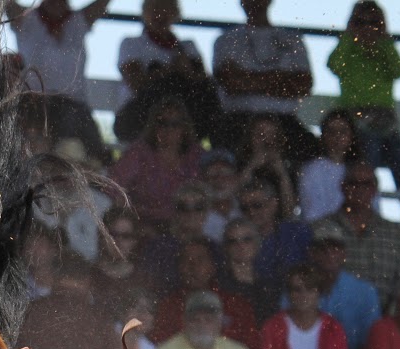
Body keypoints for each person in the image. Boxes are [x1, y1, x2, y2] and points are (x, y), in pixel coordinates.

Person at [327, 2, 400, 213]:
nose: (367, 27)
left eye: (374, 22)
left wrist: (384, 40)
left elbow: (399, 70)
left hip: (384, 120)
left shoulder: (383, 48)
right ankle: (368, 208)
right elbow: (334, 65)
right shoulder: (348, 48)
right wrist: (349, 36)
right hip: (355, 118)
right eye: (360, 22)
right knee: (370, 147)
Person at [7, 0, 111, 161]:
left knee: (97, 163)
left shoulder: (78, 21)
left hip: (74, 106)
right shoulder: (26, 19)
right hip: (35, 106)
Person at [211, 0, 313, 160]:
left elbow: (303, 85)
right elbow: (230, 84)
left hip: (284, 122)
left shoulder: (292, 40)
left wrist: (246, 78)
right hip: (239, 121)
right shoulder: (226, 40)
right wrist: (280, 78)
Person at [114, 0, 219, 142]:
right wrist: (172, 70)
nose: (160, 16)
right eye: (155, 10)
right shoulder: (132, 43)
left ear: (176, 14)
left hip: (183, 120)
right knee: (169, 84)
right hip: (139, 117)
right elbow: (136, 83)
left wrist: (188, 71)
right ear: (145, 13)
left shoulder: (188, 46)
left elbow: (204, 84)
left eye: (166, 10)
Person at [324, 161, 400, 307]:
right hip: (331, 319)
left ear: (375, 189)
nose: (359, 189)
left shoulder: (395, 233)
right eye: (353, 183)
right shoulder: (322, 229)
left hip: (384, 320)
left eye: (366, 184)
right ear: (342, 187)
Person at [107, 95, 202, 232]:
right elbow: (112, 187)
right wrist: (132, 217)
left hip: (187, 229)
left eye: (175, 124)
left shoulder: (196, 155)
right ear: (153, 125)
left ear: (184, 127)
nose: (168, 129)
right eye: (162, 123)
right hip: (143, 228)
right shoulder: (138, 153)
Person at [256, 263, 349, 349]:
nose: (303, 296)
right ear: (289, 294)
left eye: (310, 289)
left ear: (319, 293)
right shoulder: (272, 327)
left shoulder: (334, 328)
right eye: (297, 289)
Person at [308, 218, 381, 349]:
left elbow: (370, 343)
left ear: (344, 253)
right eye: (322, 248)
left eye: (335, 248)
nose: (329, 253)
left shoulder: (365, 292)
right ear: (312, 253)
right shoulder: (298, 288)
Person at [238, 175, 310, 286]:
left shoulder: (296, 232)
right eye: (245, 208)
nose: (251, 212)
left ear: (273, 203)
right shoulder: (240, 242)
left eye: (257, 205)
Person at [298, 109, 355, 224]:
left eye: (342, 131)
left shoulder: (360, 171)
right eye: (331, 131)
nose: (337, 137)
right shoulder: (311, 170)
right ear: (323, 135)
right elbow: (312, 214)